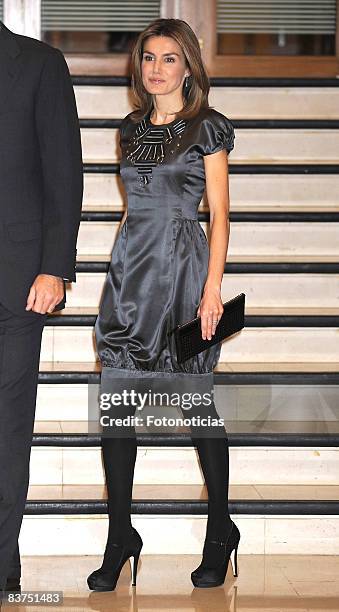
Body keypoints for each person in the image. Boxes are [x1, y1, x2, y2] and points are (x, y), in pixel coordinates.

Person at [87, 17, 240, 592]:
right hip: (131, 271)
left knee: (197, 406)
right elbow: (133, 210)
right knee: (117, 408)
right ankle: (120, 534)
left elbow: (220, 217)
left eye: (168, 58)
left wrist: (211, 289)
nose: (156, 68)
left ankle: (220, 528)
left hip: (183, 274)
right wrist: (118, 273)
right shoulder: (129, 129)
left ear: (188, 65)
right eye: (148, 57)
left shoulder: (208, 128)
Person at [0, 22, 83, 593]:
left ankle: (1, 560)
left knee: (6, 429)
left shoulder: (39, 64)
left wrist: (56, 265)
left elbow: (63, 172)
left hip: (16, 279)